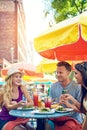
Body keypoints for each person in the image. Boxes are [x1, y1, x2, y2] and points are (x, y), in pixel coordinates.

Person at [49, 61, 83, 130]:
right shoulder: (53, 86)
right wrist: (58, 103)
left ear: (68, 72)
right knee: (44, 124)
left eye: (60, 72)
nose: (58, 74)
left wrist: (69, 105)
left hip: (72, 119)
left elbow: (81, 109)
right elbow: (50, 105)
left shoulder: (77, 87)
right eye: (57, 72)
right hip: (56, 118)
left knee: (68, 126)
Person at [63, 61, 87, 130]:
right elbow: (85, 111)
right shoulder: (84, 90)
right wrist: (71, 101)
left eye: (76, 73)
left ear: (83, 74)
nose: (74, 76)